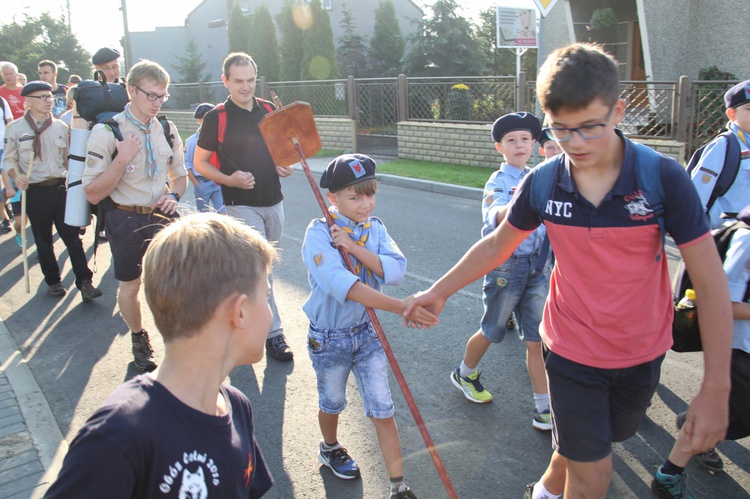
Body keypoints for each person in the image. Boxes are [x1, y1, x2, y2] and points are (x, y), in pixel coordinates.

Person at [405, 43, 733, 499]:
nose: (575, 144)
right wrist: (439, 291)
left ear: (618, 111)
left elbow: (711, 282)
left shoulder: (662, 178)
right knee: (593, 476)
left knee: (593, 443)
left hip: (642, 352)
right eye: (560, 130)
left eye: (589, 128)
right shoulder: (542, 181)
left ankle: (543, 490)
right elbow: (499, 244)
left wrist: (716, 387)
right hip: (572, 351)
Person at [44, 213, 276, 498]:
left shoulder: (237, 406)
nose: (270, 312)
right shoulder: (118, 435)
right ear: (239, 311)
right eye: (265, 296)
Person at [302, 154, 434, 499]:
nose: (366, 203)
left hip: (366, 333)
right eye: (354, 196)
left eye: (370, 193)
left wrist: (355, 248)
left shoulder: (375, 229)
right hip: (329, 337)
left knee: (383, 407)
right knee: (332, 402)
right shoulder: (319, 234)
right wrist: (401, 307)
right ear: (333, 199)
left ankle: (398, 486)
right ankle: (330, 447)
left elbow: (395, 270)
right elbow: (343, 286)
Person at [450, 112, 553, 429]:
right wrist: (519, 204)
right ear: (500, 147)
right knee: (493, 330)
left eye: (525, 139)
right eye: (511, 140)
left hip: (537, 267)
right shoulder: (499, 181)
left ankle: (543, 406)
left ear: (534, 144)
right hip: (506, 268)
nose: (519, 145)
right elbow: (494, 213)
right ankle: (464, 374)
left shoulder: (540, 176)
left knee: (535, 339)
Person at [82, 60, 188, 372]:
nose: (157, 103)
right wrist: (122, 158)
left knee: (177, 281)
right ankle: (139, 336)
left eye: (162, 97)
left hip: (161, 215)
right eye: (151, 95)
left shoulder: (166, 128)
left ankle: (178, 338)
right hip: (124, 219)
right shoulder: (107, 132)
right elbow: (92, 192)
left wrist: (174, 195)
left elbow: (179, 175)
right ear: (131, 90)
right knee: (130, 285)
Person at [194, 52, 294, 362]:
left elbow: (281, 152)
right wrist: (230, 179)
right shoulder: (216, 118)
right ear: (225, 81)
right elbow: (200, 164)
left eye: (250, 80)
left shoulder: (267, 110)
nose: (245, 87)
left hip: (273, 200)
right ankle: (273, 335)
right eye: (238, 81)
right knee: (259, 270)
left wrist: (282, 165)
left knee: (262, 269)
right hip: (240, 204)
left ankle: (233, 316)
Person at [652, 203, 750, 498]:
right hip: (740, 348)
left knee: (726, 416)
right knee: (718, 413)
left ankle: (695, 427)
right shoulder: (746, 239)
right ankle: (669, 474)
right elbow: (719, 299)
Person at [2, 81, 102, 300]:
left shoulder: (60, 127)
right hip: (35, 191)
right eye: (42, 97)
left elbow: (68, 160)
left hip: (60, 188)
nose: (48, 101)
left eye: (50, 97)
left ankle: (85, 281)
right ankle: (53, 280)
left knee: (72, 237)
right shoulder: (16, 129)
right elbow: (8, 160)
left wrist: (77, 186)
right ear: (27, 100)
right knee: (43, 239)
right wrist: (16, 176)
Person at [690, 79, 750, 229]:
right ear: (732, 114)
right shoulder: (724, 147)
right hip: (725, 235)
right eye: (749, 109)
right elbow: (696, 196)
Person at [185, 103, 225, 213]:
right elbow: (187, 164)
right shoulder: (192, 141)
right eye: (205, 118)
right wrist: (197, 184)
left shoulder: (219, 138)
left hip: (217, 181)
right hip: (202, 182)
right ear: (198, 120)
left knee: (223, 212)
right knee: (204, 216)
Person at [1, 95, 13, 234]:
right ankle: (5, 218)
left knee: (10, 184)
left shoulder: (1, 101)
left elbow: (9, 122)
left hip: (5, 147)